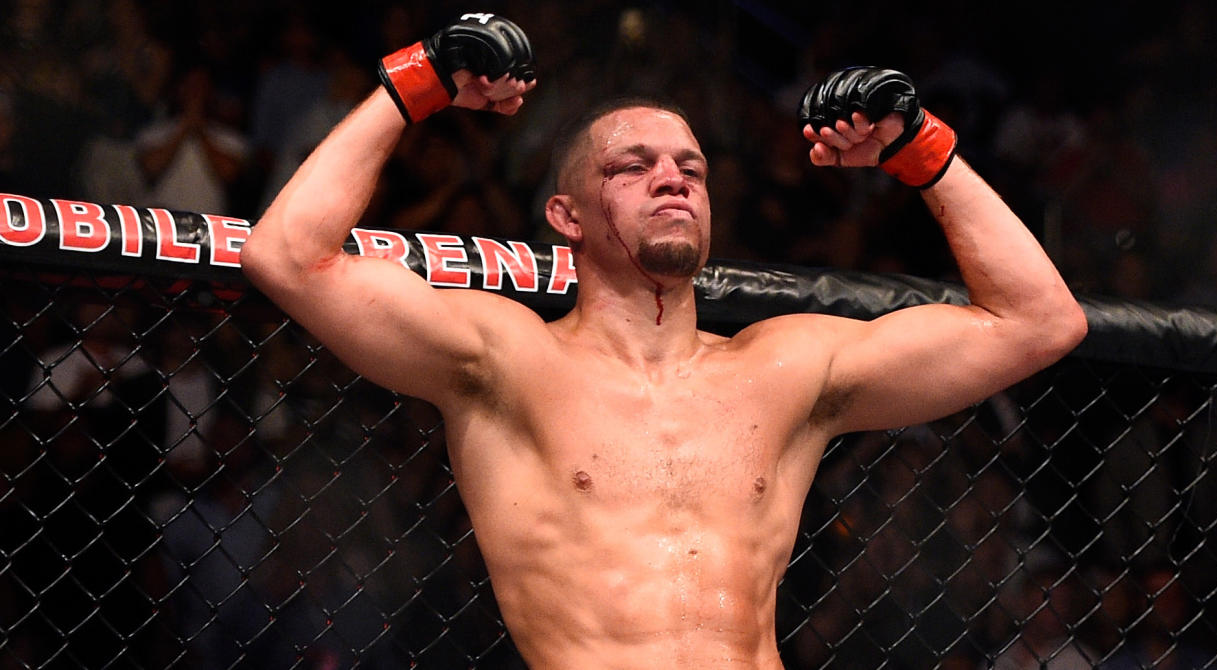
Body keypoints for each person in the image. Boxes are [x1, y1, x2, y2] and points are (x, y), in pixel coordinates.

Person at [240, 14, 1087, 669]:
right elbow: (288, 256)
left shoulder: (787, 365)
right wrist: (417, 80)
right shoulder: (506, 359)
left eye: (691, 166)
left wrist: (919, 147)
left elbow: (1039, 321)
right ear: (565, 216)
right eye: (631, 165)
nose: (672, 176)